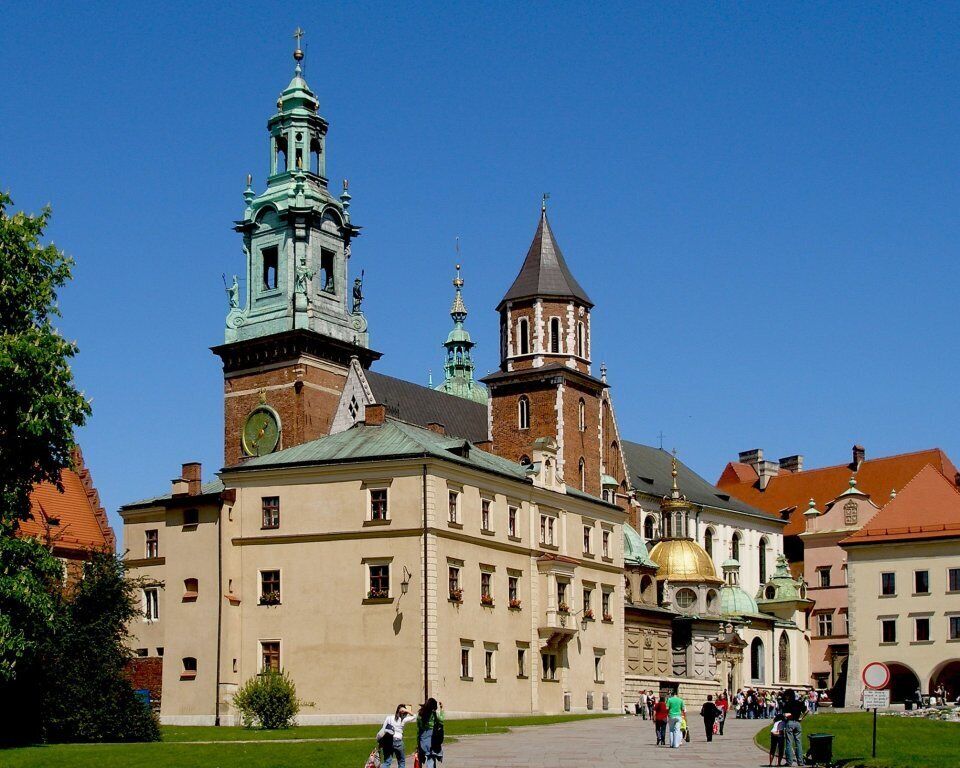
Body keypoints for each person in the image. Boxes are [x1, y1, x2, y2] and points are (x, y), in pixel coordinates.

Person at [416, 698, 445, 768]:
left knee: (428, 757)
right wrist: (442, 709)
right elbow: (441, 720)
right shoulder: (434, 714)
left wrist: (418, 743)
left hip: (423, 738)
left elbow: (418, 729)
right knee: (431, 758)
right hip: (432, 738)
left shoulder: (420, 715)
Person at [781, 689, 806, 766]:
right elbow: (805, 710)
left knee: (789, 742)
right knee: (798, 742)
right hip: (798, 723)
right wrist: (801, 717)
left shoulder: (787, 704)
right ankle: (800, 761)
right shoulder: (799, 703)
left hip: (790, 722)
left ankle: (789, 762)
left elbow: (785, 715)